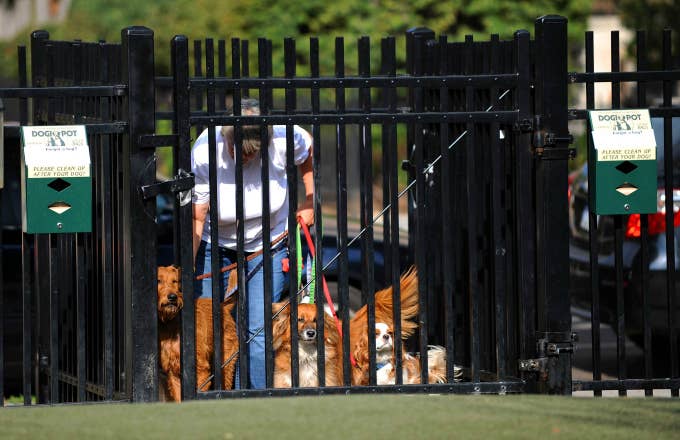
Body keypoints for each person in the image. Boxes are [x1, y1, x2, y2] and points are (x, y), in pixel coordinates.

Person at [191, 98, 314, 389]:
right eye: (238, 153)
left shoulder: (285, 137)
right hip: (214, 242)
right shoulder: (205, 149)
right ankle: (210, 398)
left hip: (267, 242)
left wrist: (309, 200)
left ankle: (256, 399)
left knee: (258, 329)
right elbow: (197, 217)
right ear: (227, 139)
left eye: (251, 155)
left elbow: (307, 153)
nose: (244, 159)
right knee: (209, 328)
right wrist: (189, 264)